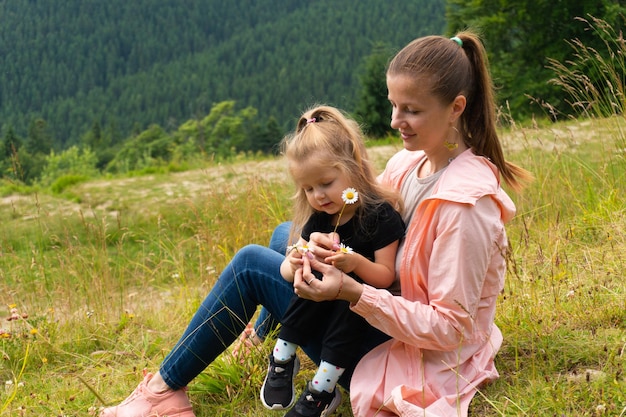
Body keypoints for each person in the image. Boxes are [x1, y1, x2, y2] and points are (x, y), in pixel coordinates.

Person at [100, 30, 531, 417]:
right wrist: (328, 242)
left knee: (251, 264)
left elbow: (451, 328)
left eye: (412, 111)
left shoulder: (465, 207)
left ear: (456, 107)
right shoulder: (409, 164)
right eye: (393, 105)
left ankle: (163, 393)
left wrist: (353, 290)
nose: (396, 122)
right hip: (379, 315)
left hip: (405, 353)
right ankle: (261, 340)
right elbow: (370, 224)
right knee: (286, 239)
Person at [259, 107, 405, 416]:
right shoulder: (320, 219)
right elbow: (287, 271)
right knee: (310, 276)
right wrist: (298, 258)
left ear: (352, 166)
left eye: (325, 183)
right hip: (319, 302)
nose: (318, 196)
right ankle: (283, 355)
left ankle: (321, 390)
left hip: (360, 309)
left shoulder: (379, 215)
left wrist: (351, 262)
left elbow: (385, 277)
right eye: (308, 189)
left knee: (346, 306)